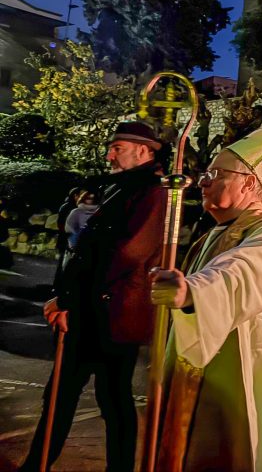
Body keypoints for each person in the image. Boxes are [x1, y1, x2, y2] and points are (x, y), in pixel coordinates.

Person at [150, 123, 262, 471]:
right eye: (205, 173)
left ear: (250, 184)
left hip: (234, 367)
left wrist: (191, 292)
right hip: (197, 359)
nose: (203, 181)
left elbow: (241, 273)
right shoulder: (214, 233)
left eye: (215, 174)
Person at [19, 122, 167, 472]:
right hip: (94, 310)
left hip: (110, 314)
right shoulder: (123, 187)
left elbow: (127, 253)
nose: (109, 154)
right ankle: (36, 465)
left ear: (143, 150)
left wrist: (69, 299)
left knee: (110, 399)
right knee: (62, 394)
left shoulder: (151, 192)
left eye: (118, 147)